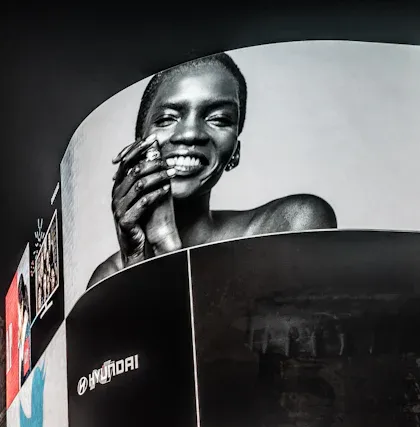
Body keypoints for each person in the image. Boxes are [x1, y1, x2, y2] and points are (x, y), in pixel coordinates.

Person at [89, 52, 337, 287]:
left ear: (235, 152)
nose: (190, 134)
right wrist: (138, 263)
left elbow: (293, 332)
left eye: (218, 119)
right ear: (137, 144)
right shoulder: (110, 275)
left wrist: (166, 250)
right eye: (167, 119)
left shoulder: (289, 224)